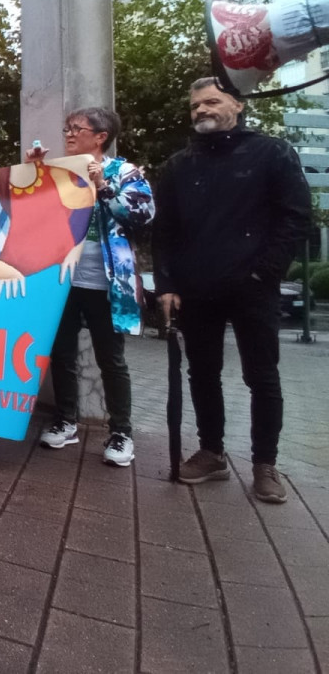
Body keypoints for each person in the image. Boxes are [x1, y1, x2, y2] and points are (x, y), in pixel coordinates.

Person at [154, 78, 312, 502]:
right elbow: (164, 231)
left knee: (261, 376)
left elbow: (296, 219)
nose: (201, 111)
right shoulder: (177, 166)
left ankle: (265, 464)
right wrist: (166, 284)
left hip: (253, 289)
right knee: (202, 373)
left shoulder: (273, 153)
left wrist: (263, 274)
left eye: (211, 102)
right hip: (195, 290)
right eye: (195, 106)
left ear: (237, 105)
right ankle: (212, 454)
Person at [31, 108, 154, 467]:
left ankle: (120, 433)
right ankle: (66, 420)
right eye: (66, 128)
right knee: (62, 352)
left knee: (110, 359)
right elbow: (31, 211)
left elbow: (143, 215)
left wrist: (102, 186)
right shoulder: (61, 172)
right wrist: (35, 173)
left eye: (77, 129)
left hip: (106, 282)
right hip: (61, 279)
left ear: (100, 136)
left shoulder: (124, 172)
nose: (68, 134)